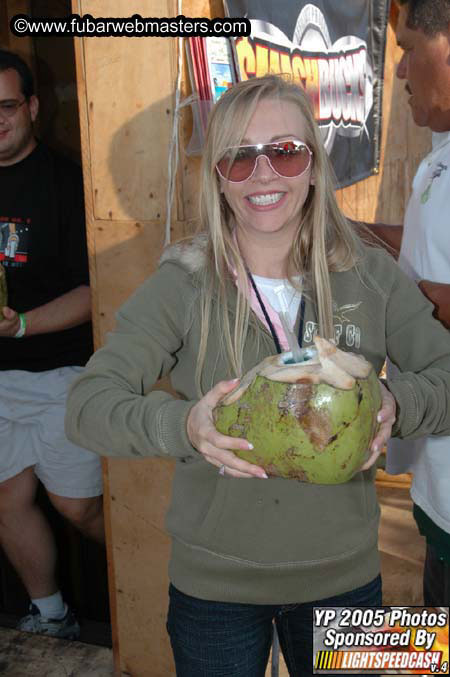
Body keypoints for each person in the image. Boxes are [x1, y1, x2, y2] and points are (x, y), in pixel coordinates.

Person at [66, 73, 450, 676]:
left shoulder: (370, 274)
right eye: (239, 158)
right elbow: (87, 405)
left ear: (315, 167)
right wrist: (185, 427)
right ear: (217, 177)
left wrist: (397, 404)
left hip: (348, 575)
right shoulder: (183, 282)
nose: (264, 173)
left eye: (285, 151)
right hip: (215, 588)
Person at [0, 49, 104, 639]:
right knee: (6, 498)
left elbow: (97, 292)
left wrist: (19, 326)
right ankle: (51, 613)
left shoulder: (68, 182)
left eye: (7, 106)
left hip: (62, 372)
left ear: (33, 106)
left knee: (78, 506)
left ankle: (160, 582)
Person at [367, 0, 450, 606]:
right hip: (436, 468)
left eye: (406, 49)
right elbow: (426, 257)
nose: (399, 71)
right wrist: (346, 231)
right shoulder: (438, 158)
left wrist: (364, 299)